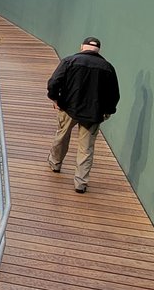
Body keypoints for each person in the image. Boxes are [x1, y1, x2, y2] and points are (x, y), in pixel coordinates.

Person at [46, 36, 120, 194]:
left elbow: (53, 82)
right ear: (99, 50)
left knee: (62, 136)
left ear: (82, 47)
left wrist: (55, 98)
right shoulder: (108, 67)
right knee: (86, 148)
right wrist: (108, 111)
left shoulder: (69, 61)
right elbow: (114, 94)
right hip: (93, 114)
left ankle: (55, 164)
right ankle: (80, 183)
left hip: (68, 107)